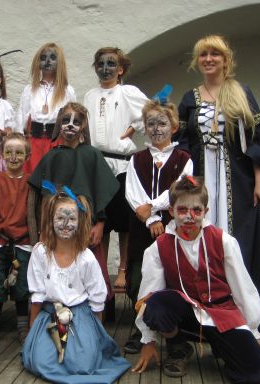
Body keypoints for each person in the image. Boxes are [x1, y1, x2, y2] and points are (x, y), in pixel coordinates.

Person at [177, 34, 260, 330]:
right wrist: (186, 181)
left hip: (238, 179)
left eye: (215, 54)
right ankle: (207, 316)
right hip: (201, 180)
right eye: (204, 54)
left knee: (239, 244)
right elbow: (183, 143)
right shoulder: (189, 98)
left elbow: (259, 139)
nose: (209, 59)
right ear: (198, 61)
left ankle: (246, 316)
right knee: (201, 243)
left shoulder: (240, 92)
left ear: (226, 60)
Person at [132, 176, 260, 382]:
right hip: (186, 313)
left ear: (205, 212)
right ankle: (178, 345)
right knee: (156, 304)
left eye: (196, 210)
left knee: (257, 373)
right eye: (182, 210)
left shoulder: (224, 241)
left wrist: (252, 330)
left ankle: (221, 345)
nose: (190, 216)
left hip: (222, 314)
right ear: (171, 211)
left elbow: (243, 287)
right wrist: (148, 341)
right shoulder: (158, 248)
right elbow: (148, 294)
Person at [21, 189, 130, 383]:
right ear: (50, 219)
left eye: (71, 219)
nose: (65, 224)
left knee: (83, 364)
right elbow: (37, 295)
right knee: (41, 361)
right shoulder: (40, 252)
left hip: (80, 318)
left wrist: (96, 335)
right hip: (49, 318)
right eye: (60, 218)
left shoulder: (86, 258)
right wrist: (32, 331)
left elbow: (97, 299)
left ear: (80, 222)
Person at [123, 94, 193, 353]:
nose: (156, 129)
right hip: (142, 225)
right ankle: (141, 328)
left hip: (171, 226)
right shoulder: (137, 159)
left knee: (170, 275)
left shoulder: (184, 158)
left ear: (173, 127)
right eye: (150, 124)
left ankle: (171, 329)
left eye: (162, 123)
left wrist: (154, 208)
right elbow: (133, 192)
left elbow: (177, 190)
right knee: (139, 274)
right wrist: (150, 217)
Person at [29, 102, 119, 300]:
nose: (70, 125)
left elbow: (100, 190)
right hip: (57, 228)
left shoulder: (92, 155)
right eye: (65, 121)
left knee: (93, 270)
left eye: (75, 122)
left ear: (83, 126)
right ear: (59, 125)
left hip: (87, 226)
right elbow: (43, 198)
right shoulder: (51, 157)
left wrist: (101, 223)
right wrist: (44, 228)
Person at [84, 47, 148, 292]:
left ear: (120, 69)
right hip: (97, 164)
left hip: (121, 163)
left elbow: (150, 112)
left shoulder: (127, 92)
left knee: (123, 222)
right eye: (101, 64)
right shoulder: (90, 95)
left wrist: (132, 128)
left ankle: (122, 269)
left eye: (111, 64)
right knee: (102, 221)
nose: (105, 68)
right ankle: (101, 269)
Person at [0, 133, 38, 342]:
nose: (14, 157)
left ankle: (23, 325)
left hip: (23, 242)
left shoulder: (33, 183)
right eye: (9, 152)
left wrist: (38, 242)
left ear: (27, 155)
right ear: (2, 155)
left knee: (22, 285)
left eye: (19, 152)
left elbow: (37, 213)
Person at [17, 42, 76, 173]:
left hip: (57, 143)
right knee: (32, 179)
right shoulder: (29, 90)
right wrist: (21, 142)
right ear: (37, 62)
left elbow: (73, 118)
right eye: (43, 58)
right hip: (33, 143)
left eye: (52, 58)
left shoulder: (68, 91)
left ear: (59, 62)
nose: (47, 61)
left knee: (55, 180)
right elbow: (22, 115)